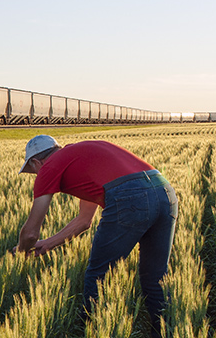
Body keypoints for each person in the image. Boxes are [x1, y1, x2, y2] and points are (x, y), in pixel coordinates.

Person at [13, 135, 177, 335]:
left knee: (98, 276)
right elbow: (84, 221)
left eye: (33, 170)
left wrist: (21, 252)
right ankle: (167, 332)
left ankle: (92, 331)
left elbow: (30, 233)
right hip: (165, 192)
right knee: (155, 278)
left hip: (130, 198)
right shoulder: (81, 156)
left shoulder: (48, 168)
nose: (37, 175)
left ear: (36, 162)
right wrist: (49, 243)